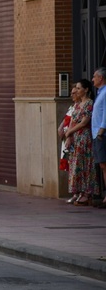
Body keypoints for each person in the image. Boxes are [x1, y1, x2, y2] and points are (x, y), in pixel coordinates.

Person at [63, 80, 97, 206]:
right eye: (76, 88)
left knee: (85, 164)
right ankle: (76, 191)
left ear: (86, 89)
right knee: (75, 164)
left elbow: (84, 122)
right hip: (75, 137)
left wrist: (69, 131)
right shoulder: (77, 104)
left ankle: (87, 193)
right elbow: (72, 120)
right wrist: (69, 136)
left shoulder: (89, 103)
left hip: (84, 137)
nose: (76, 91)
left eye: (78, 88)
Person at [91, 67, 106, 209]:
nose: (93, 79)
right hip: (96, 134)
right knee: (102, 165)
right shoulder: (99, 92)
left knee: (104, 165)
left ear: (101, 78)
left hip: (101, 134)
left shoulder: (105, 92)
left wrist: (101, 131)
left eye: (94, 76)